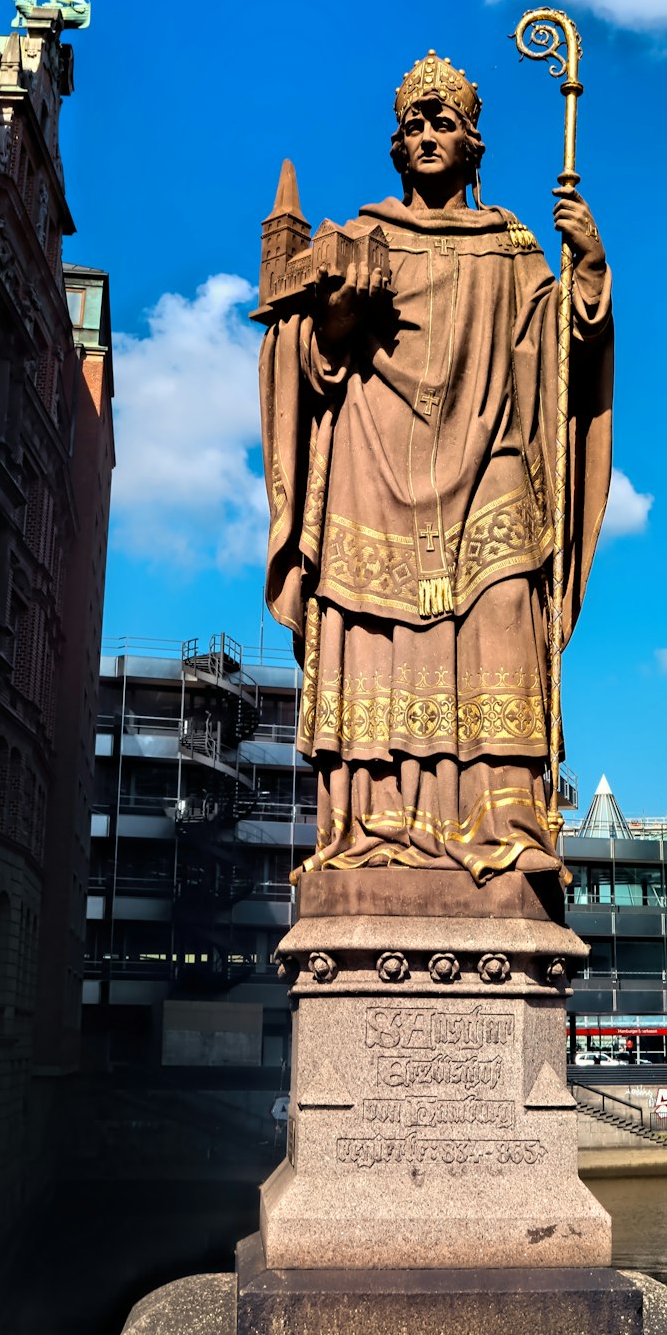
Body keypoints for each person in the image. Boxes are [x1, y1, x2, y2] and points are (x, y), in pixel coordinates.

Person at [259, 50, 613, 883]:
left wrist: (587, 268)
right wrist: (333, 322)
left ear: (473, 146)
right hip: (373, 470)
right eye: (412, 125)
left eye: (442, 123)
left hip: (490, 458)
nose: (425, 136)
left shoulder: (513, 244)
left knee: (502, 613)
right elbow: (296, 355)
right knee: (377, 638)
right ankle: (375, 830)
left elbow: (562, 360)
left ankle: (511, 825)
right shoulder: (360, 235)